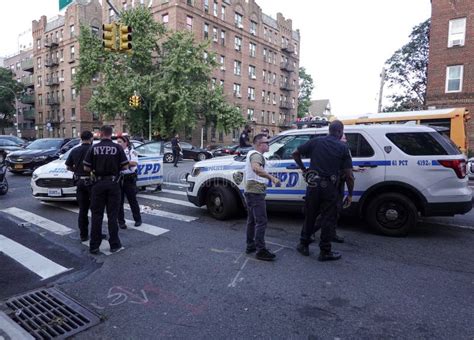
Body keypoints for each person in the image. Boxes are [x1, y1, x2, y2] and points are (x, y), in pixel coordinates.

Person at [292, 120, 354, 261]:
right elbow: (349, 175)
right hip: (330, 187)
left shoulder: (316, 142)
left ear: (329, 130)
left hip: (313, 184)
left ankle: (303, 245)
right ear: (339, 132)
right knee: (328, 218)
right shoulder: (343, 147)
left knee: (310, 216)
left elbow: (295, 153)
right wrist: (350, 194)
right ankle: (325, 251)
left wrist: (304, 169)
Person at [83, 125, 129, 254]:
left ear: (101, 133)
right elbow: (125, 167)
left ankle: (94, 245)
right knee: (112, 215)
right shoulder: (117, 147)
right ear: (111, 134)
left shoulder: (94, 148)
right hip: (114, 184)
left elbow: (86, 168)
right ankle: (114, 244)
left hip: (97, 184)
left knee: (96, 215)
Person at [244, 134, 281, 261]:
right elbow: (256, 168)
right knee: (261, 221)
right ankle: (260, 250)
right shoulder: (256, 155)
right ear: (260, 144)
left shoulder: (253, 154)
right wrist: (272, 178)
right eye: (267, 142)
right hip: (255, 192)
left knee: (252, 220)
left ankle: (250, 245)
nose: (268, 144)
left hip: (250, 191)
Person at [65, 130, 94, 242]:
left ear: (81, 139)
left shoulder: (75, 150)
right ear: (91, 138)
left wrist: (76, 170)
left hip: (79, 183)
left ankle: (83, 235)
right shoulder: (93, 150)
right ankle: (97, 233)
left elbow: (68, 166)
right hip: (92, 182)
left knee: (83, 210)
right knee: (96, 210)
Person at [117, 135, 142, 229]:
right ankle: (121, 222)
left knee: (132, 201)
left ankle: (138, 219)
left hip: (129, 178)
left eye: (120, 142)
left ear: (126, 143)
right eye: (117, 142)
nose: (118, 144)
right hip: (119, 178)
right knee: (119, 202)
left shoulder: (132, 151)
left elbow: (134, 163)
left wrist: (123, 162)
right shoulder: (116, 151)